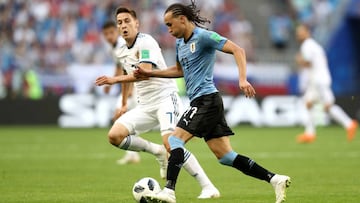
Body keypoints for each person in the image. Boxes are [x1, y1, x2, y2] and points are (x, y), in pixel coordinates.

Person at [134, 1, 291, 203]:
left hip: (206, 100)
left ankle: (169, 191)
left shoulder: (204, 37)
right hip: (204, 102)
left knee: (174, 140)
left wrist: (242, 79)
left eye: (170, 24)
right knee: (226, 156)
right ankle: (274, 179)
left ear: (182, 19)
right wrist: (151, 73)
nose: (169, 30)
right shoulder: (180, 43)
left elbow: (238, 50)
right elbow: (179, 71)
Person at [95, 7, 220, 199]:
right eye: (119, 22)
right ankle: (156, 151)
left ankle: (208, 186)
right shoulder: (120, 51)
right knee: (114, 136)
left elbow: (143, 73)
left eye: (127, 21)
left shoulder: (146, 42)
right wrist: (123, 104)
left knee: (172, 143)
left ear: (136, 23)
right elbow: (126, 74)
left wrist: (114, 80)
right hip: (144, 105)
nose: (123, 25)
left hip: (165, 99)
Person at [295, 24, 358, 143]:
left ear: (307, 32)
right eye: (297, 32)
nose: (298, 35)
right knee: (308, 102)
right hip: (318, 79)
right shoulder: (314, 45)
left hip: (319, 80)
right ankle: (310, 133)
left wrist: (299, 60)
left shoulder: (307, 46)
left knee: (328, 106)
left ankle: (349, 124)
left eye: (301, 32)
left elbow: (308, 63)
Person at [101, 21, 140, 164]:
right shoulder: (113, 48)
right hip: (130, 86)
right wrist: (110, 84)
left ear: (116, 32)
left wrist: (130, 89)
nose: (109, 36)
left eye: (111, 33)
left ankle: (139, 152)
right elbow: (120, 67)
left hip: (136, 87)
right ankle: (132, 154)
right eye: (106, 34)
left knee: (121, 116)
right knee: (124, 119)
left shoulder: (122, 45)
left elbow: (132, 68)